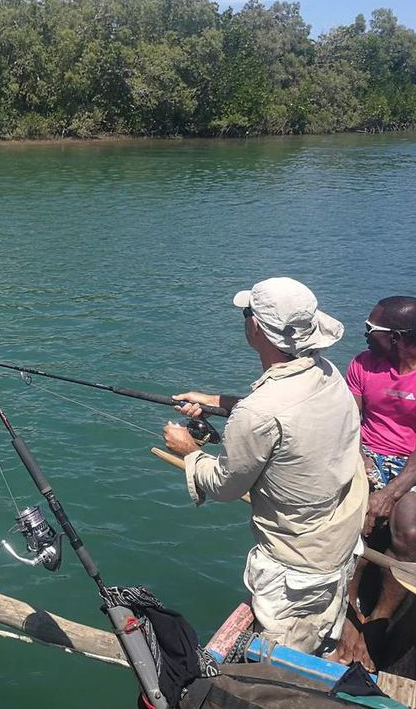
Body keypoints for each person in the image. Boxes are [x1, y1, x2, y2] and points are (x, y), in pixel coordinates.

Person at [163, 277, 368, 656]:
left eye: (247, 314)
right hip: (338, 545)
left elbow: (224, 486)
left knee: (279, 667)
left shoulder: (258, 412)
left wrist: (189, 451)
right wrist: (217, 401)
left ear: (256, 327)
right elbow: (285, 415)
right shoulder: (328, 374)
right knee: (321, 638)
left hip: (296, 570)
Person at [334, 296, 416, 670]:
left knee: (407, 532)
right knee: (354, 516)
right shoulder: (362, 364)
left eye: (371, 329)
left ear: (397, 337)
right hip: (370, 456)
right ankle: (349, 612)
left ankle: (378, 620)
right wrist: (365, 476)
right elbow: (351, 424)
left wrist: (390, 493)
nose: (364, 333)